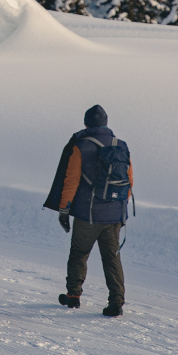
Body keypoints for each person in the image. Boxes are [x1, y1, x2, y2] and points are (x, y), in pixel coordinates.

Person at [44, 104, 132, 317]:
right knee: (112, 258)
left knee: (79, 254)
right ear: (106, 123)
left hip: (89, 215)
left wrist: (64, 209)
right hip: (115, 214)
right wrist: (116, 207)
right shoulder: (120, 145)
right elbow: (129, 182)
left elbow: (71, 181)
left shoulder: (81, 146)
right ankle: (116, 302)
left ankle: (73, 296)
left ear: (86, 123)